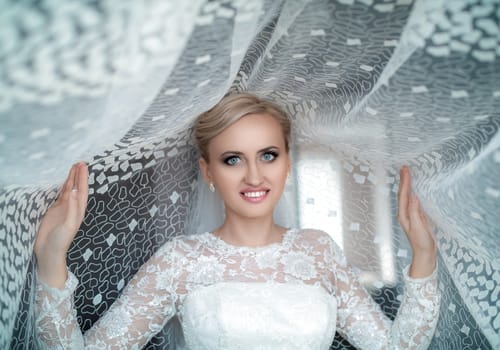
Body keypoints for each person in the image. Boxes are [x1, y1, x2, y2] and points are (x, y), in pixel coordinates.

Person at [34, 92, 440, 349]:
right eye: (232, 160)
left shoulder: (318, 252)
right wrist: (52, 260)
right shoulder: (181, 260)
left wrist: (423, 255)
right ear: (208, 171)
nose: (253, 176)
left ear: (287, 163)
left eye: (268, 155)